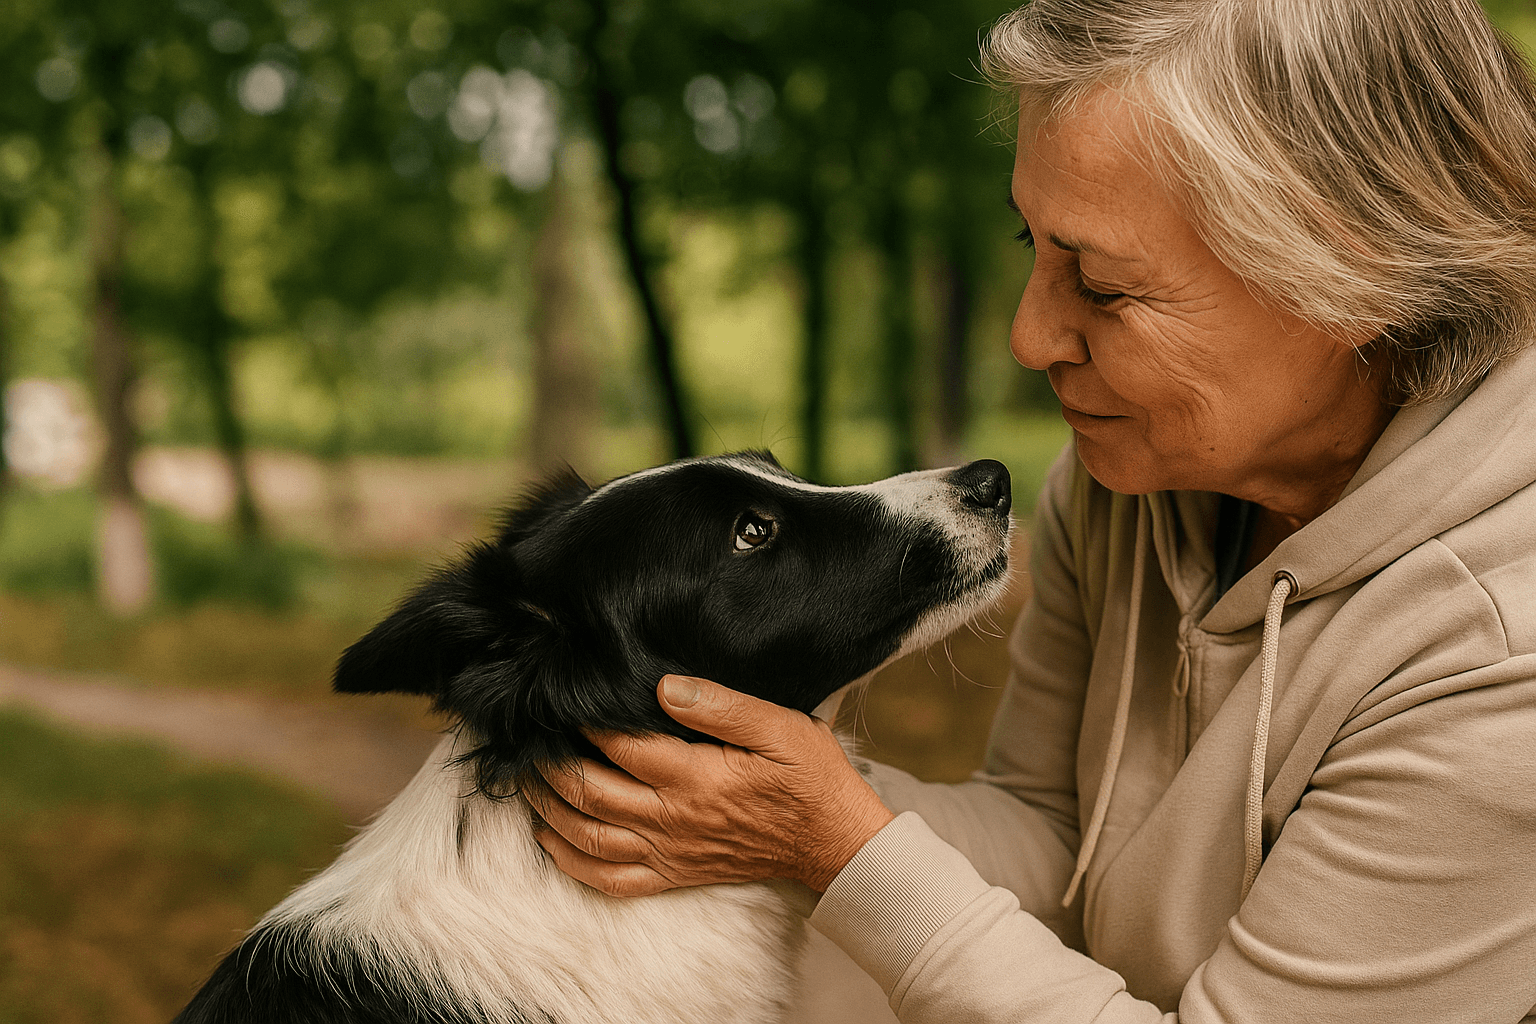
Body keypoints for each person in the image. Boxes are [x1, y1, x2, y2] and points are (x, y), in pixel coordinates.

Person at [527, 0, 1536, 1019]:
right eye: (1032, 244)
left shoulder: (1502, 659)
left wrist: (837, 845)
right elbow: (1053, 839)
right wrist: (774, 800)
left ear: (1352, 278)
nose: (1028, 334)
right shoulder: (1133, 486)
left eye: (1099, 284)